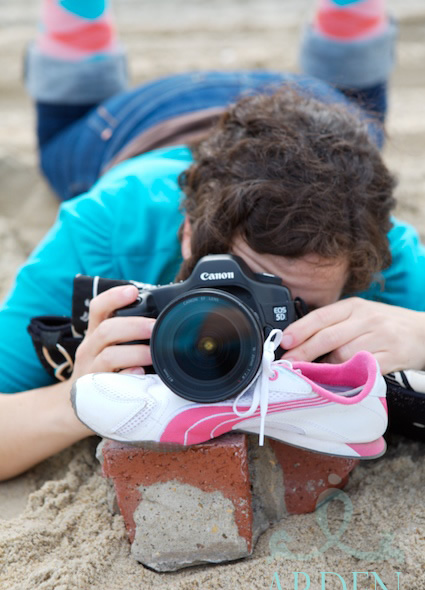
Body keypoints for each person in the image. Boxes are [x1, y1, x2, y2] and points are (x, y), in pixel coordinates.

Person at [0, 0, 424, 481]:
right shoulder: (110, 224)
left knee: (358, 122)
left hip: (322, 113)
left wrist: (422, 333)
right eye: (234, 293)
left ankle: (350, 25)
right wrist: (75, 397)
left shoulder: (388, 256)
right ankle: (78, 33)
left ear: (357, 279)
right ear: (187, 235)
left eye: (292, 312)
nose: (250, 335)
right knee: (64, 144)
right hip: (139, 118)